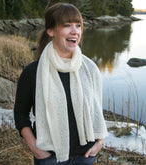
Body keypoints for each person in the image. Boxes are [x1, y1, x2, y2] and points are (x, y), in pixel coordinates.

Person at [14, 2, 108, 165]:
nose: (75, 31)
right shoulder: (33, 72)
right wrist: (35, 147)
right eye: (67, 25)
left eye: (78, 25)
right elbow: (20, 115)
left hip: (85, 156)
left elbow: (96, 110)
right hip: (49, 157)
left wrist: (99, 143)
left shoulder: (90, 68)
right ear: (51, 31)